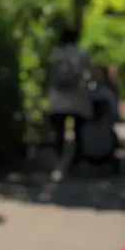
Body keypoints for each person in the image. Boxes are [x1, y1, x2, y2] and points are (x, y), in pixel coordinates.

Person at [46, 26, 92, 181]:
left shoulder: (55, 54)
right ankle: (75, 162)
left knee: (58, 133)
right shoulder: (82, 54)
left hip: (58, 99)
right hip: (77, 99)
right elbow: (88, 74)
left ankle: (59, 162)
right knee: (79, 133)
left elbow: (49, 76)